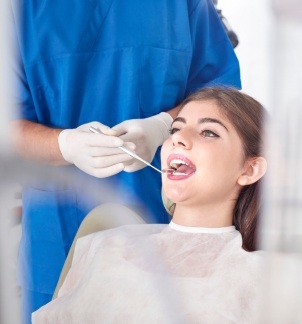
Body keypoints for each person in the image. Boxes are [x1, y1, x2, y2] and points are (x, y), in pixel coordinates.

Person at [8, 0, 241, 322]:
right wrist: (63, 145)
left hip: (167, 215)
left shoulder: (183, 6)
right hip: (59, 225)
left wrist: (163, 125)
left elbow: (222, 96)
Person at [31, 86, 268, 323]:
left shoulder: (266, 277)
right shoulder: (105, 246)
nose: (178, 139)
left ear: (250, 169)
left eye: (208, 132)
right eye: (175, 129)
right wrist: (64, 144)